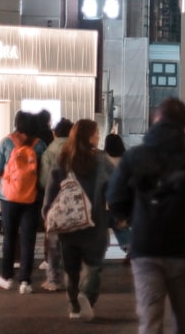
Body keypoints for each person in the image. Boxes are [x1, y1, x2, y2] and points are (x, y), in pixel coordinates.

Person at [106, 98, 185, 334]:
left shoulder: (134, 157)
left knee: (149, 320)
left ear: (156, 120)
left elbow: (115, 198)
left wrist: (135, 216)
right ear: (184, 125)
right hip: (184, 248)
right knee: (183, 319)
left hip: (146, 246)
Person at [42, 119, 114, 320]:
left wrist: (47, 214)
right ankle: (86, 296)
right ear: (88, 136)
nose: (98, 136)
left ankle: (74, 307)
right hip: (95, 222)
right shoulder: (100, 160)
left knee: (71, 269)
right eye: (96, 133)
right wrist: (119, 214)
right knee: (94, 266)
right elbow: (115, 187)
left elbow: (51, 189)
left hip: (68, 223)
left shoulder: (63, 158)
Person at [0, 110, 48, 294]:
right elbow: (44, 174)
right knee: (29, 239)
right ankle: (25, 282)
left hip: (9, 197)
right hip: (32, 197)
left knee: (10, 237)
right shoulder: (40, 145)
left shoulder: (7, 142)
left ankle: (6, 277)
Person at [39, 118, 73, 291]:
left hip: (57, 202)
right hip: (77, 203)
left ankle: (53, 280)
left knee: (53, 241)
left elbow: (46, 181)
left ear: (55, 133)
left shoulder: (49, 151)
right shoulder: (79, 151)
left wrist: (46, 209)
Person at [103, 133, 131, 256]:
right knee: (121, 227)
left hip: (104, 201)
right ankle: (130, 249)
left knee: (101, 228)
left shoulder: (102, 159)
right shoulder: (126, 160)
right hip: (120, 201)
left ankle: (100, 251)